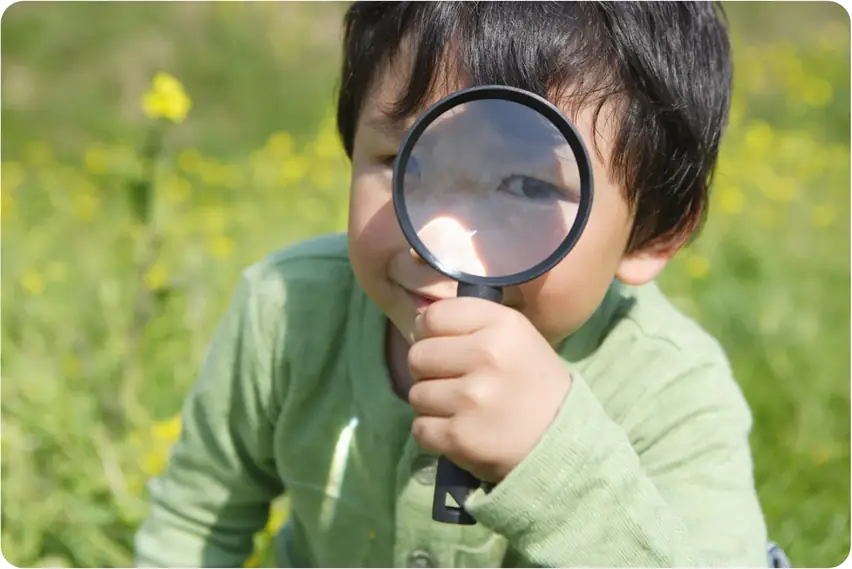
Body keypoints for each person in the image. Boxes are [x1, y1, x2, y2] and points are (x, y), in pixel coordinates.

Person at [134, 2, 771, 567]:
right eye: (403, 160)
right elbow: (195, 523)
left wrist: (553, 459)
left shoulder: (677, 394)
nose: (439, 240)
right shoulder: (286, 309)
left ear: (653, 235)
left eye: (526, 186)